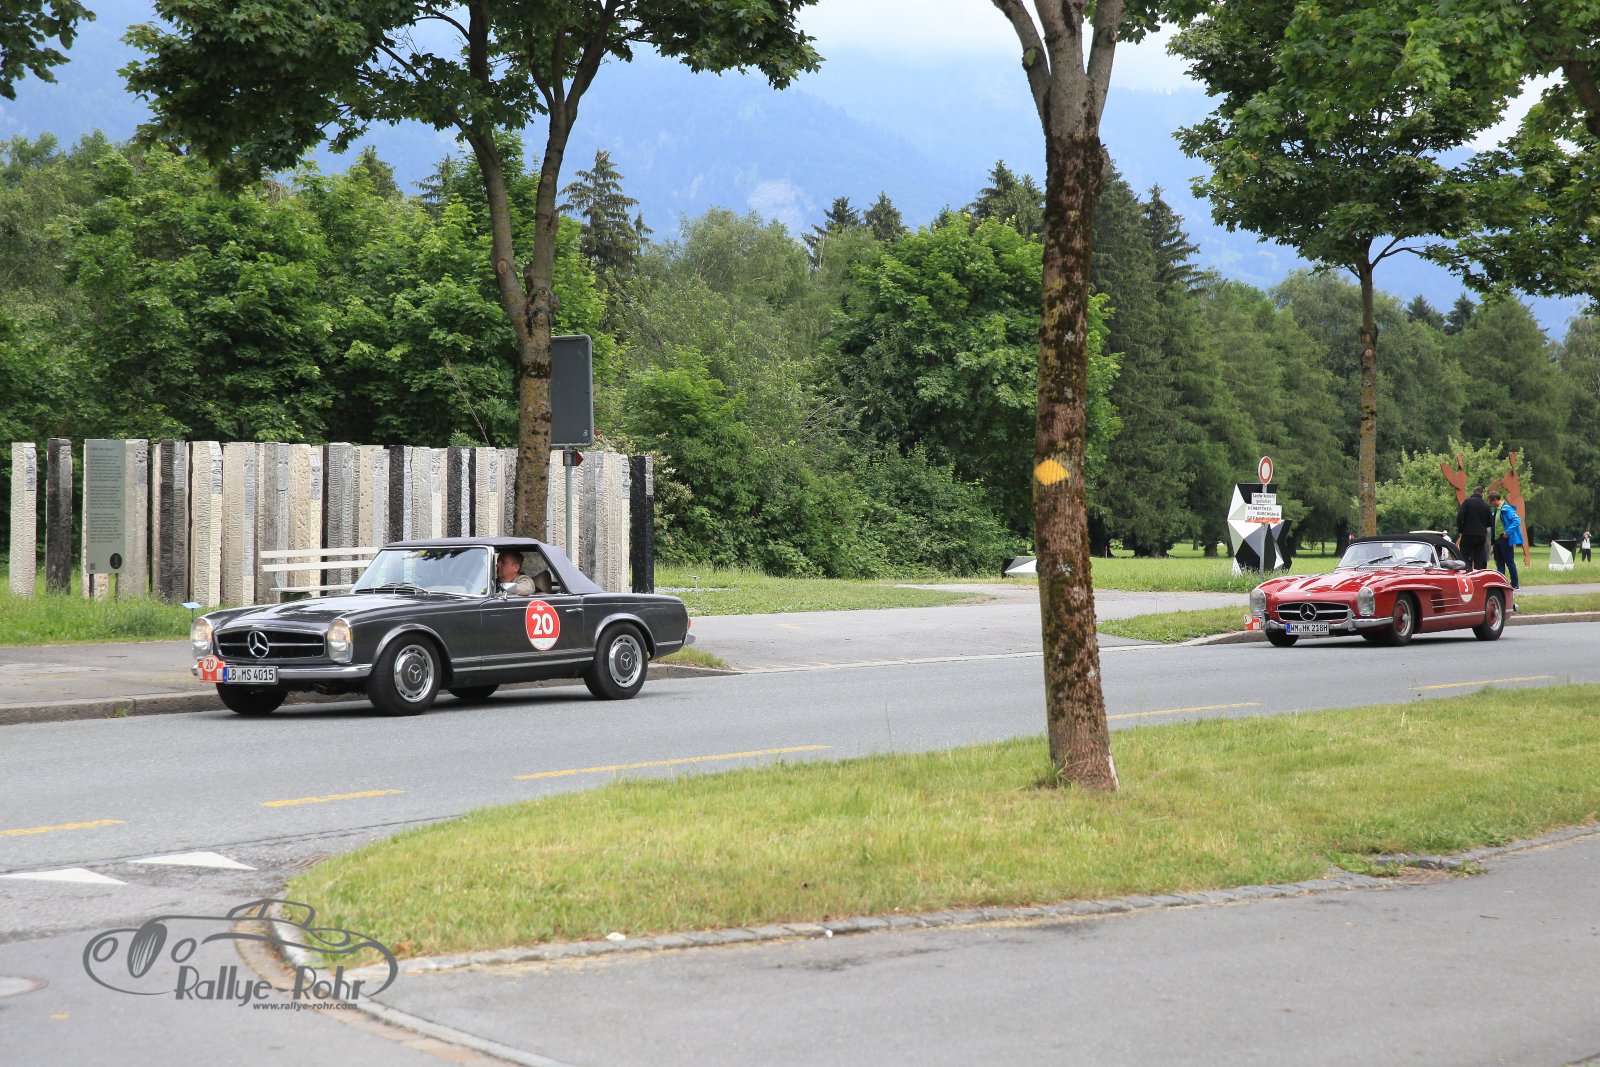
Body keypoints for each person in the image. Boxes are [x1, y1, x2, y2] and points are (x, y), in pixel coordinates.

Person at [1487, 491, 1522, 598]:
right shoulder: (1496, 511)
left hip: (1505, 539)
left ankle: (1515, 584)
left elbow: (1517, 520)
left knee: (1509, 562)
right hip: (1497, 540)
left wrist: (1508, 532)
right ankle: (1501, 584)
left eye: (1490, 501)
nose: (1490, 504)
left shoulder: (1506, 509)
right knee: (1499, 562)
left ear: (1495, 500)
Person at [1455, 485, 1493, 571]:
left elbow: (1459, 517)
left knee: (1464, 556)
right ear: (1482, 493)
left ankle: (1466, 572)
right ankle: (1477, 574)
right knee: (1478, 557)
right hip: (1480, 535)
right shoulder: (1486, 505)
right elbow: (1490, 522)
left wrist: (1461, 529)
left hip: (1467, 534)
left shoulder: (1467, 502)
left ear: (1473, 493)